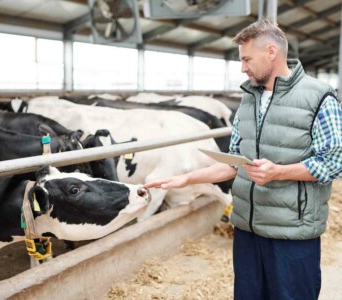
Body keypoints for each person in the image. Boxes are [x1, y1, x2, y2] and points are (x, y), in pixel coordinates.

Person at [144, 19, 342, 300]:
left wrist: (279, 172)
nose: (243, 67)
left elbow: (334, 161)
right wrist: (187, 178)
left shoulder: (319, 97)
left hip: (291, 232)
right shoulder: (249, 99)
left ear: (271, 52)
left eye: (247, 59)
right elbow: (233, 163)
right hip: (247, 230)